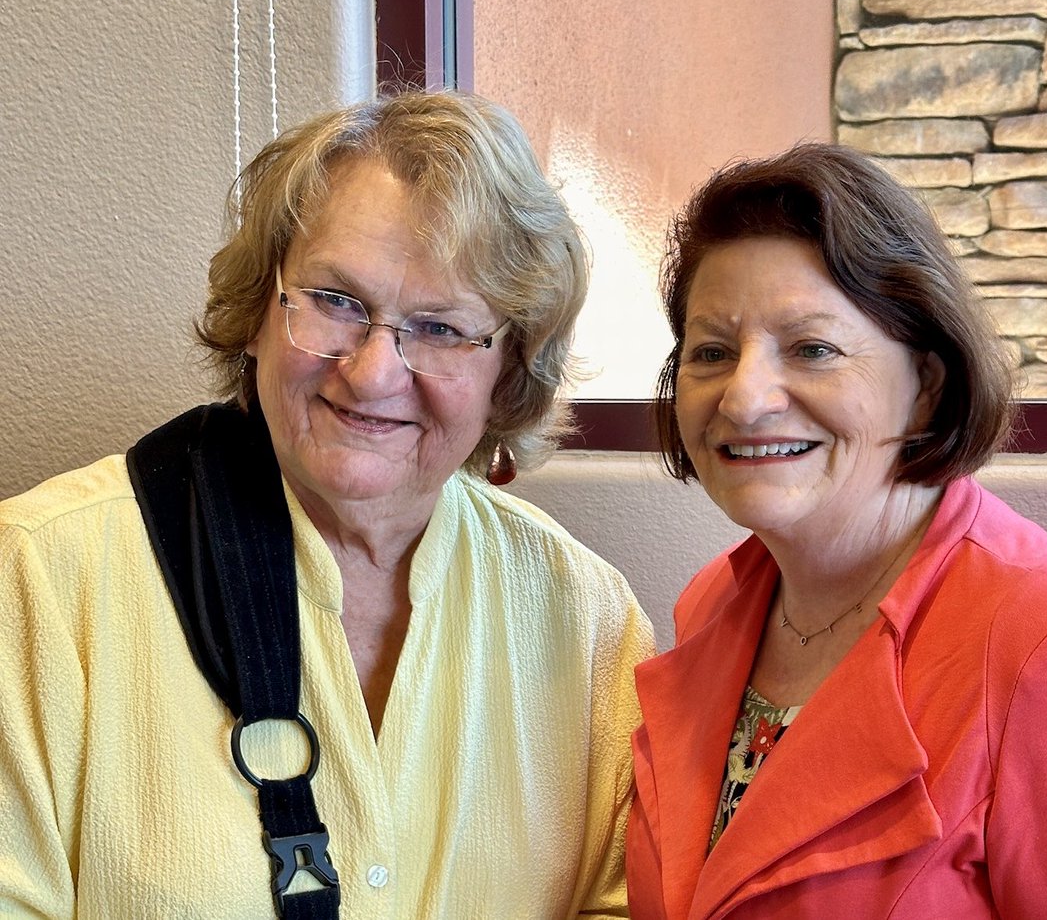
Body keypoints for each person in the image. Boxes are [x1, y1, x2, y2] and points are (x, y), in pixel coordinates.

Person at [0, 89, 654, 918]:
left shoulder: (590, 618)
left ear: (510, 371)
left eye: (441, 327)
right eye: (338, 302)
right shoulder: (43, 576)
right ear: (257, 312)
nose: (375, 370)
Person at [624, 142, 1047, 917]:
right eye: (712, 351)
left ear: (926, 386)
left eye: (813, 348)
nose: (744, 396)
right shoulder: (712, 608)